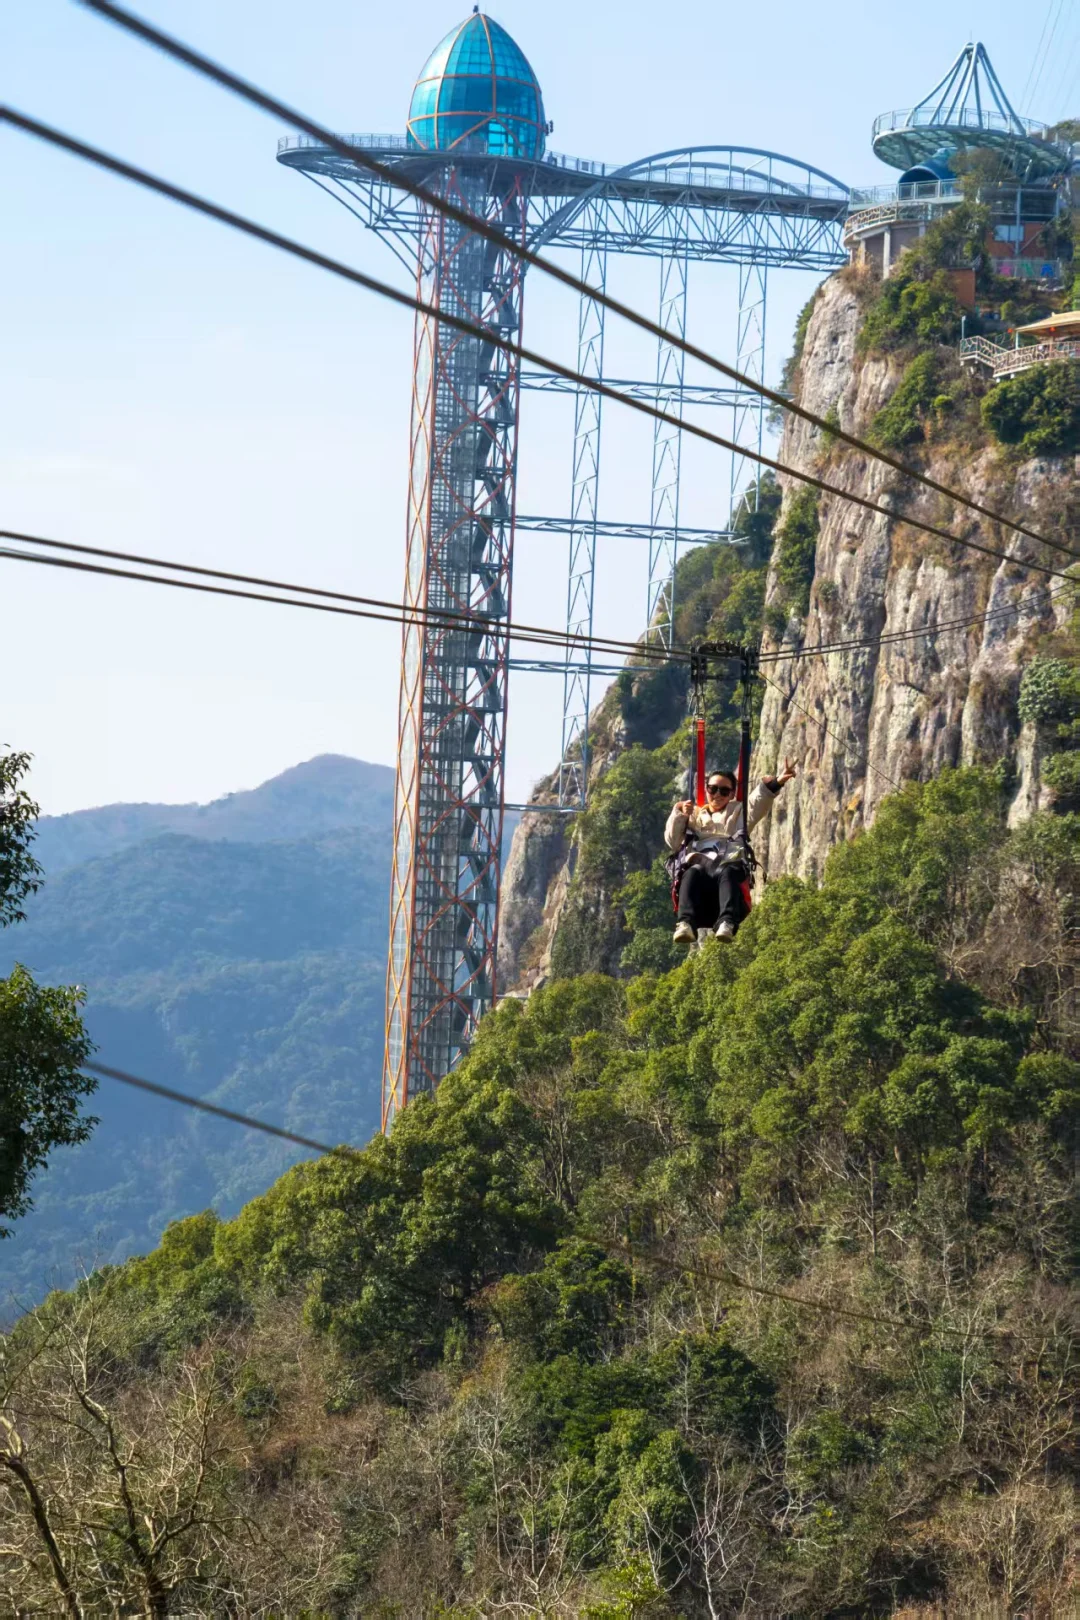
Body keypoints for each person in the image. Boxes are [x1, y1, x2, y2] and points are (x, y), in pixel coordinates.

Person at [665, 758, 796, 944]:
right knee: (691, 872)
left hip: (727, 864)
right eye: (713, 789)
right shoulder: (693, 816)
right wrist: (679, 814)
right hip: (700, 867)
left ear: (732, 794)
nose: (717, 795)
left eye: (724, 791)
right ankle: (685, 922)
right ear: (706, 789)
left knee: (728, 870)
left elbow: (757, 803)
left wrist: (778, 781)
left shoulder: (738, 813)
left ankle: (726, 921)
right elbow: (673, 841)